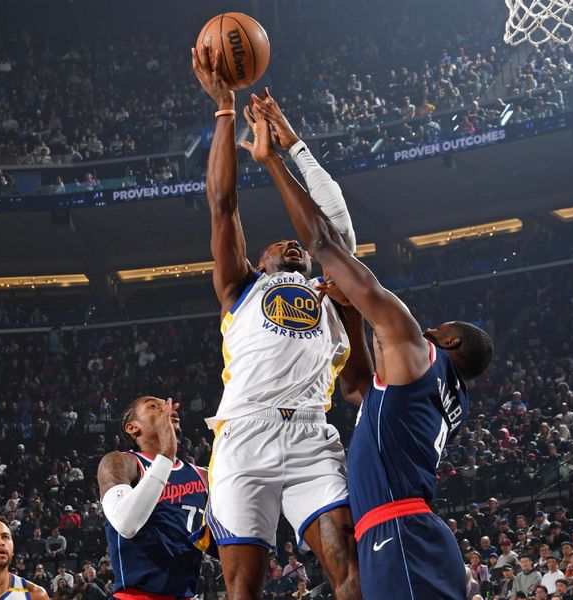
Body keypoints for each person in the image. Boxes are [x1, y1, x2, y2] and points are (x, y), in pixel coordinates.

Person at [243, 92, 493, 599]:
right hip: (404, 530)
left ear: (446, 340)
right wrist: (352, 311)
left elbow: (324, 244)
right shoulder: (444, 394)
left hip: (398, 531)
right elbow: (356, 385)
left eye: (436, 326)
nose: (426, 327)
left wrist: (276, 158)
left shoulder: (412, 345)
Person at [191, 45, 364, 600]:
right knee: (243, 591)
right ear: (258, 260)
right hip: (244, 436)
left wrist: (290, 146)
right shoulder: (241, 288)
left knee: (351, 574)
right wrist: (224, 110)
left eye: (301, 247)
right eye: (278, 245)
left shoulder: (331, 291)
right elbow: (222, 203)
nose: (292, 244)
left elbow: (332, 216)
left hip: (313, 436)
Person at [97, 396, 208, 599]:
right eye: (154, 406)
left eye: (166, 405)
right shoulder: (120, 462)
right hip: (137, 595)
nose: (166, 409)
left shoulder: (202, 475)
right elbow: (126, 523)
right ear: (133, 428)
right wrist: (165, 456)